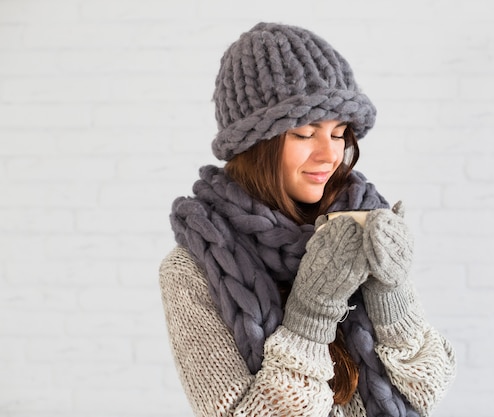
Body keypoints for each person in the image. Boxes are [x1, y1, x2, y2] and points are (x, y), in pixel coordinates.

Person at [159, 22, 456, 417]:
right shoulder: (192, 269)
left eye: (338, 133)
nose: (329, 155)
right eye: (304, 133)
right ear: (254, 145)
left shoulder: (363, 223)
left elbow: (429, 387)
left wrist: (391, 294)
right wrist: (312, 314)